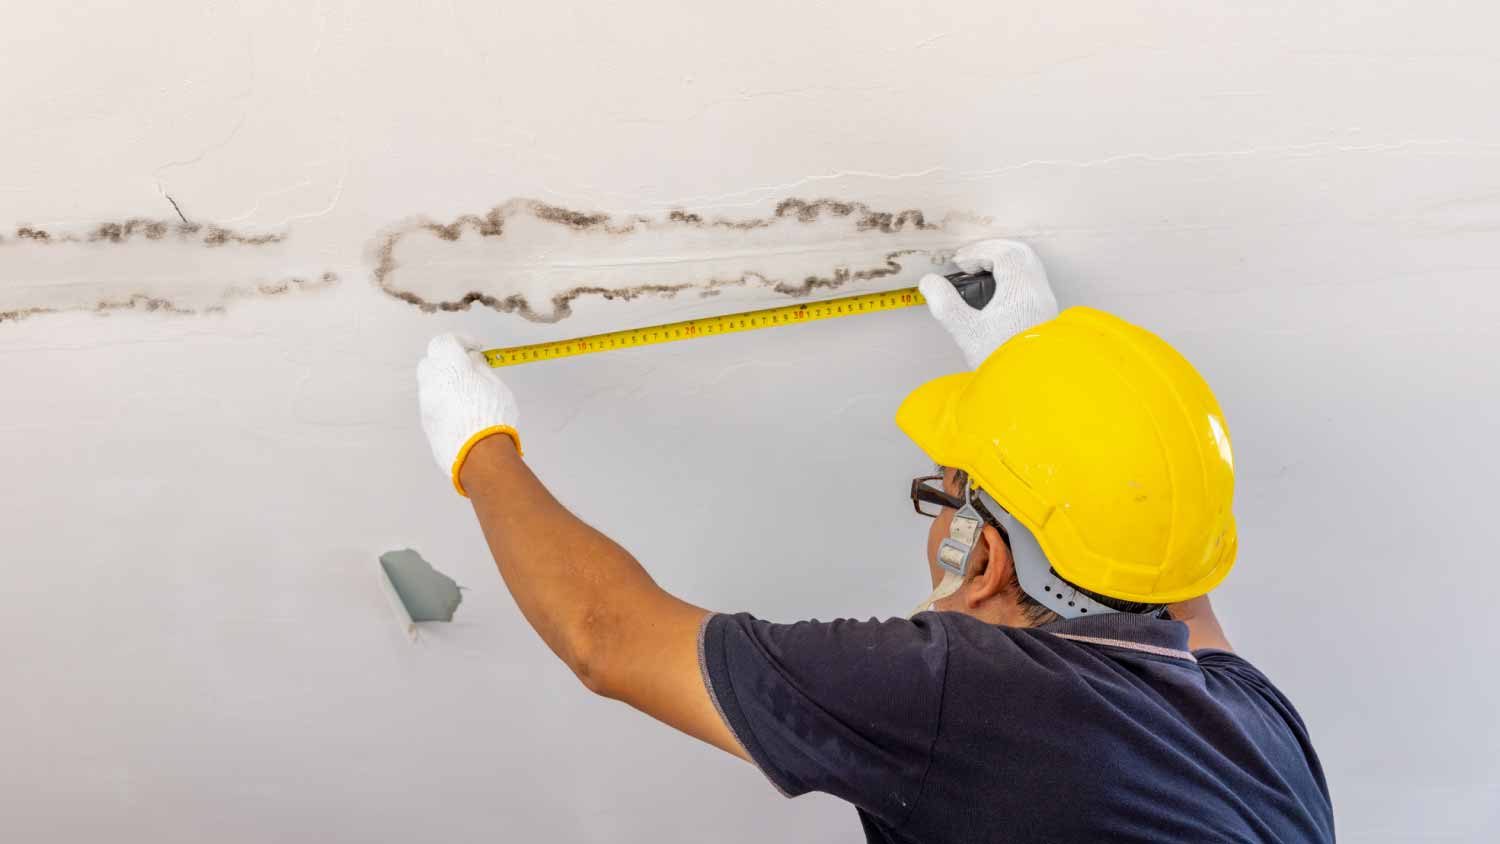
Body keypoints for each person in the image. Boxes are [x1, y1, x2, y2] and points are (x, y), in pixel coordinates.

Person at [415, 240, 1335, 843]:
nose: (935, 515)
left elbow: (604, 636)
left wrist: (477, 448)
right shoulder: (1253, 722)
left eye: (943, 496)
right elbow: (1163, 549)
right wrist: (1031, 370)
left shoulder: (955, 694)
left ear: (985, 557)